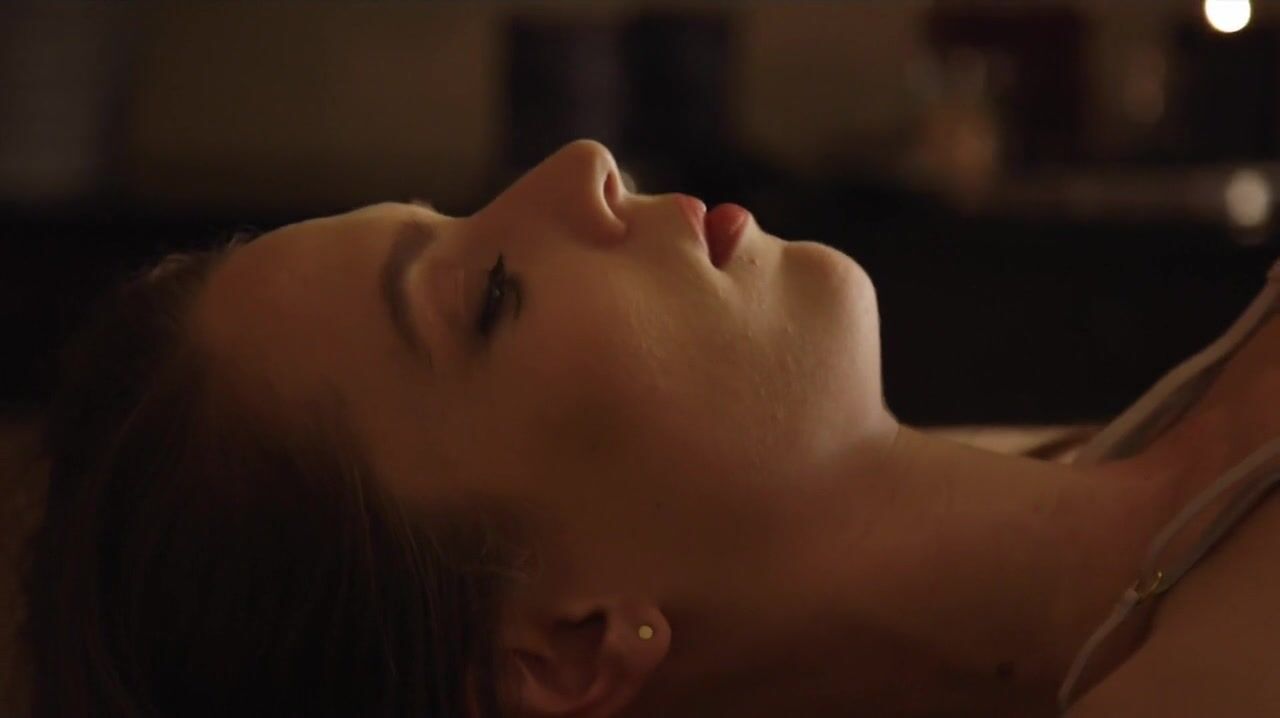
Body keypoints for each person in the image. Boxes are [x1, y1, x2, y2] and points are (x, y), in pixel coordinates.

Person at [22, 138, 1280, 717]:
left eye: (458, 212)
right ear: (571, 645)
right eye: (488, 297)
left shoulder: (1154, 469)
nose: (582, 165)